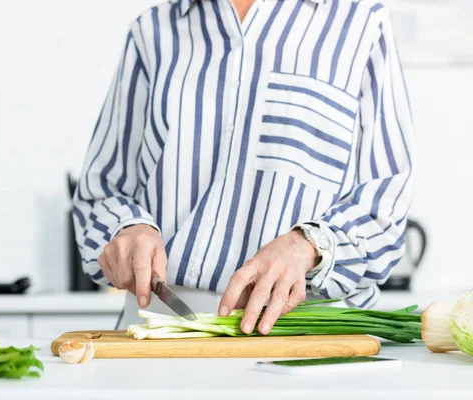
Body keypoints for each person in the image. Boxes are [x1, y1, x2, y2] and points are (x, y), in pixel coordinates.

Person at [73, 0, 414, 334]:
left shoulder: (362, 23)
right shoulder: (152, 29)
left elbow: (384, 205)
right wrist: (127, 228)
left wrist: (307, 245)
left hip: (304, 332)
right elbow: (100, 192)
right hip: (160, 328)